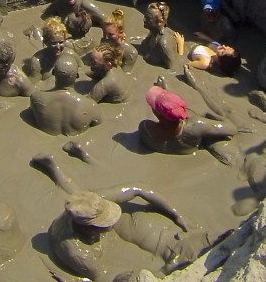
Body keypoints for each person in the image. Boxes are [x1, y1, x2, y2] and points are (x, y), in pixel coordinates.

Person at [33, 153, 207, 280]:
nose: (113, 220)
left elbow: (139, 188)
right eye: (106, 221)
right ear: (90, 227)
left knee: (80, 194)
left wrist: (176, 214)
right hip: (65, 239)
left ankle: (53, 167)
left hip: (79, 213)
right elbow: (105, 277)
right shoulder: (79, 253)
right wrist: (163, 272)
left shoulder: (95, 201)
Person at [138, 72, 239, 158]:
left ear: (156, 113)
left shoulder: (145, 128)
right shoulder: (196, 125)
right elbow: (233, 129)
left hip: (178, 146)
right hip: (190, 142)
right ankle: (195, 86)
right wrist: (208, 115)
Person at [28, 54, 103, 136]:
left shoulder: (36, 98)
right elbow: (98, 125)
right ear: (77, 76)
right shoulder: (91, 106)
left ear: (53, 73)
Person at [136, 1, 182, 69]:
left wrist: (181, 47)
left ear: (159, 22)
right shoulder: (154, 31)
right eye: (145, 15)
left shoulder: (163, 44)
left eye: (148, 18)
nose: (144, 19)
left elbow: (173, 68)